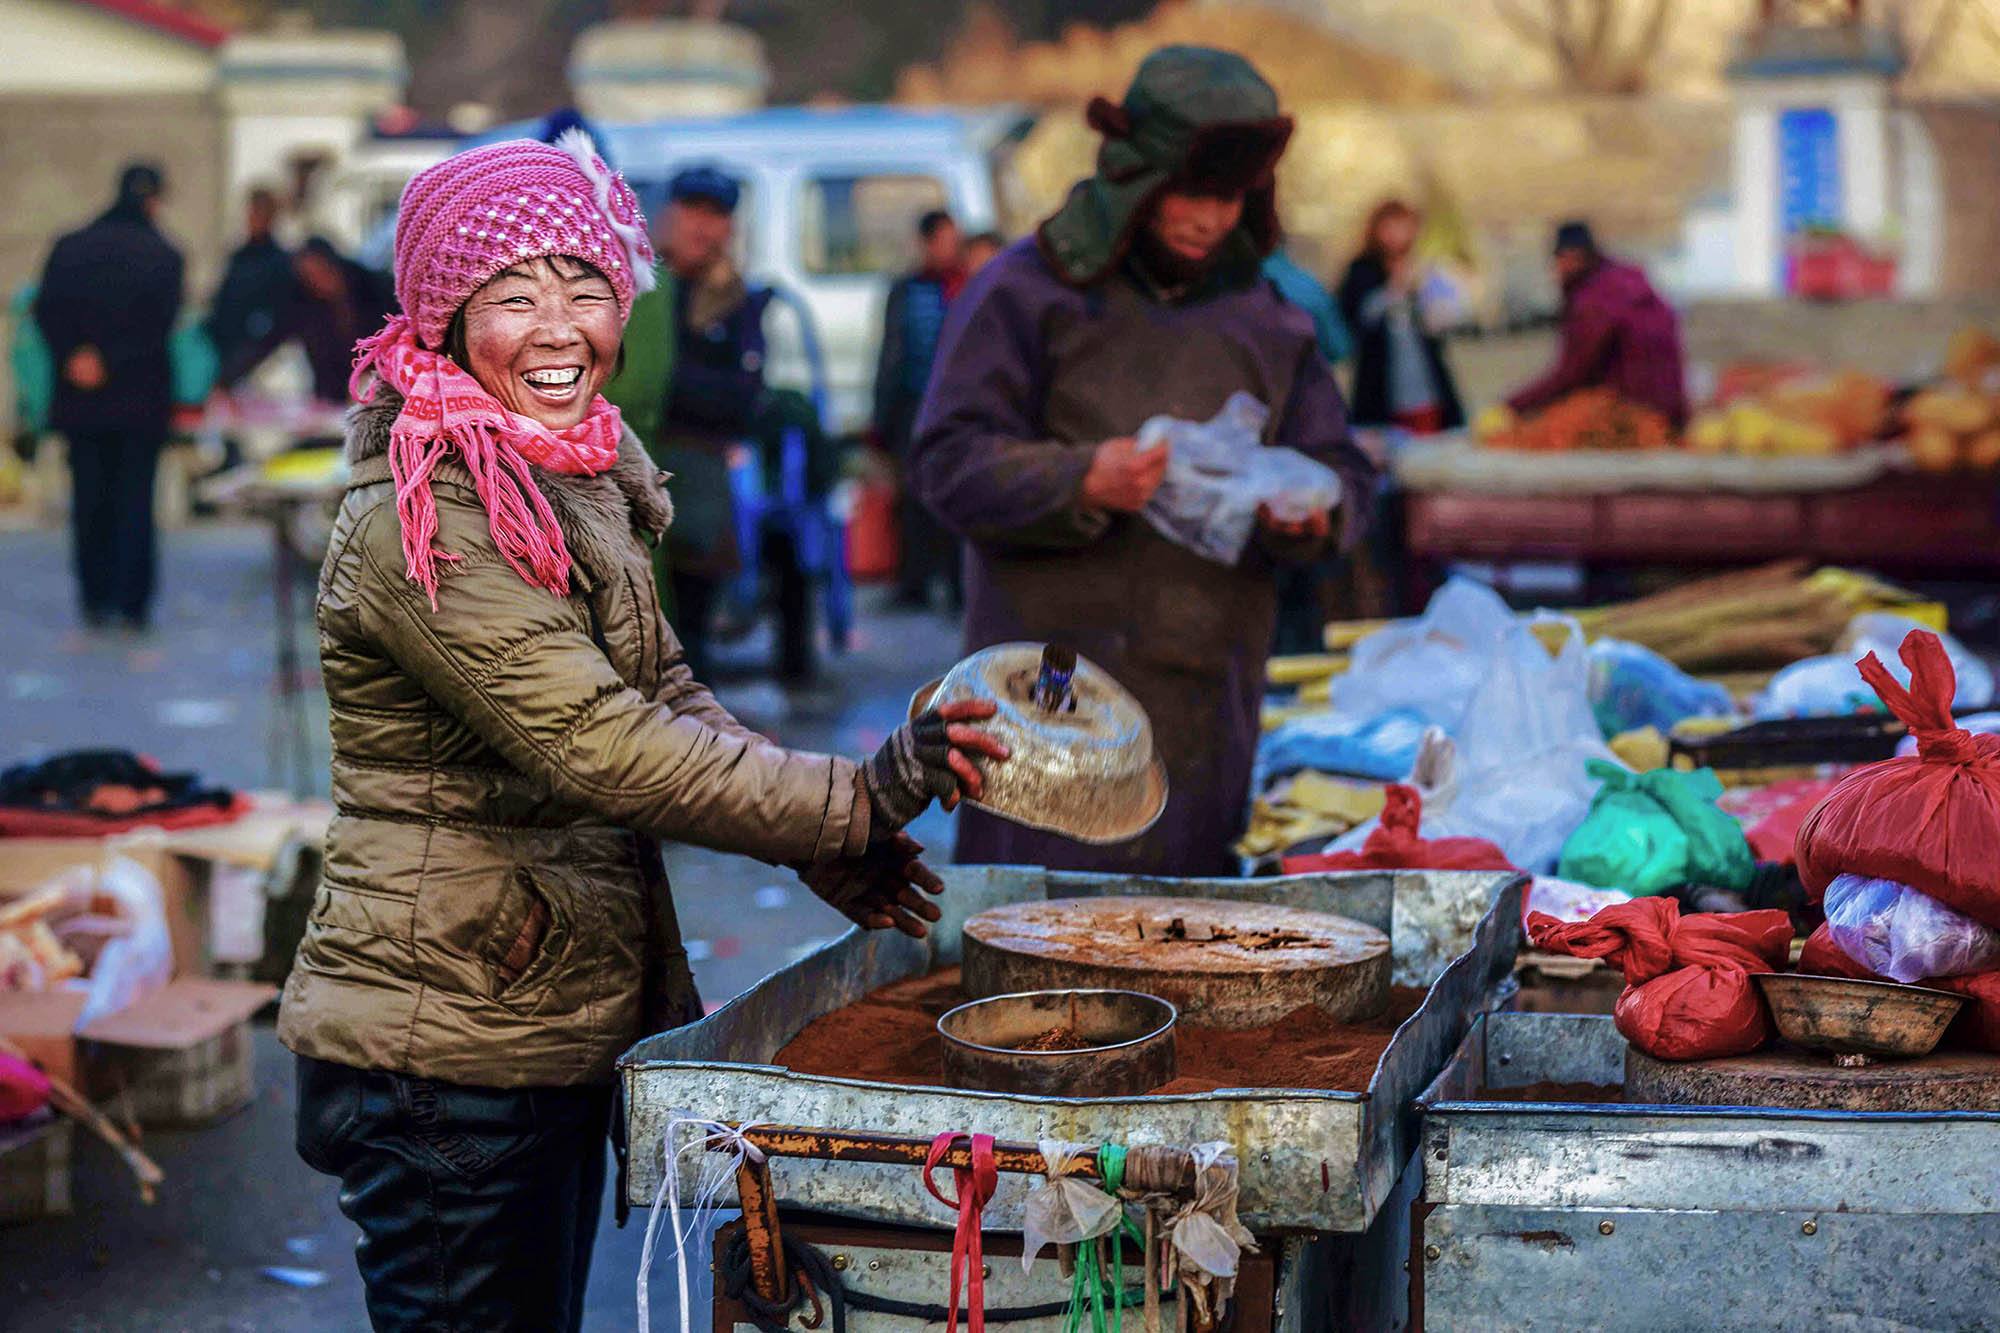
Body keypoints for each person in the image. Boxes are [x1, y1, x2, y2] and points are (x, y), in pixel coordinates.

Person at [277, 135, 1007, 1332]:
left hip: (528, 1008)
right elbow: (599, 743)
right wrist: (859, 792)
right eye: (513, 295)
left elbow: (666, 693)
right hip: (443, 1044)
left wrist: (814, 839)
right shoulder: (435, 511)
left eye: (586, 288)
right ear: (445, 317)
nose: (561, 327)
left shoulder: (568, 474)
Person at [912, 45, 1377, 877]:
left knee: (1183, 942)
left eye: (1231, 196)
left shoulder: (1268, 316)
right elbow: (946, 459)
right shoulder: (1026, 292)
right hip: (1046, 698)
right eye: (1191, 193)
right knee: (1033, 941)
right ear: (1136, 178)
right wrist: (1082, 477)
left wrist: (1316, 507)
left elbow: (1343, 465)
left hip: (1203, 692)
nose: (1209, 218)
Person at [32, 163, 184, 632]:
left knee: (89, 499)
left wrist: (77, 357)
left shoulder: (69, 246)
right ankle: (132, 603)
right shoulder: (163, 254)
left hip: (82, 402)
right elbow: (158, 326)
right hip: (138, 402)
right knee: (136, 500)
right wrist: (113, 360)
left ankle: (95, 598)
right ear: (153, 199)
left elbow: (45, 310)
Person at [1507, 219, 1687, 429]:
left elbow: (1571, 373)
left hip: (1632, 416)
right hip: (1674, 414)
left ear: (1570, 258)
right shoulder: (1631, 283)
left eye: (1557, 261)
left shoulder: (1594, 299)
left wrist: (1513, 407)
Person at [874, 208, 967, 611]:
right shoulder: (906, 290)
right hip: (912, 408)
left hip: (955, 411)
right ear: (927, 243)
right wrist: (881, 416)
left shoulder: (966, 286)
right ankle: (913, 585)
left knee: (953, 498)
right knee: (911, 499)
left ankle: (957, 587)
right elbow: (889, 354)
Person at [216, 237, 395, 406]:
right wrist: (225, 381)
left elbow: (397, 330)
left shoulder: (371, 286)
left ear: (333, 265)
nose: (318, 282)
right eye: (309, 277)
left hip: (381, 383)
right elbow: (267, 341)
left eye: (321, 272)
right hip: (331, 394)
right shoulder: (303, 302)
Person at [1337, 200, 1464, 433]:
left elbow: (1440, 320)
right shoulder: (1362, 270)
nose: (1397, 235)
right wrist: (1394, 289)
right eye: (1390, 227)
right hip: (1380, 384)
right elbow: (1355, 318)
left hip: (1423, 381)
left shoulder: (1421, 267)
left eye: (1403, 226)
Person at [204, 187, 294, 369]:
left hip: (257, 353)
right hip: (224, 345)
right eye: (252, 212)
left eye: (260, 213)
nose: (253, 219)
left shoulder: (280, 261)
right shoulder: (238, 255)